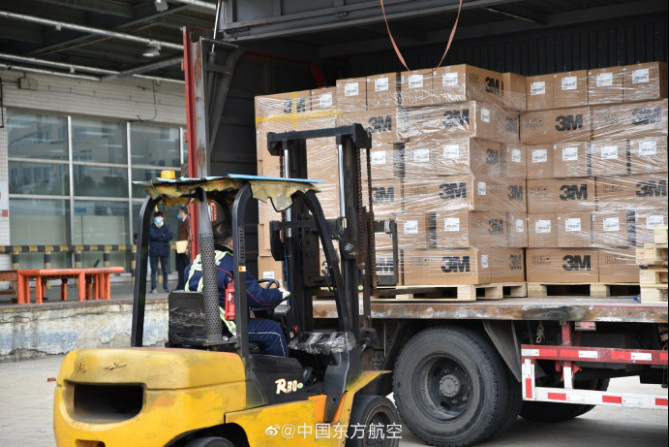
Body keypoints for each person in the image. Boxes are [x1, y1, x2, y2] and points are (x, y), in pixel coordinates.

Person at [184, 225, 291, 357]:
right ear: (232, 243)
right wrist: (280, 293)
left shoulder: (194, 264)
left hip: (199, 327)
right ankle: (280, 375)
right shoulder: (231, 265)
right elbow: (259, 299)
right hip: (226, 329)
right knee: (274, 330)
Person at [149, 211, 172, 293]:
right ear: (154, 218)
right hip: (154, 251)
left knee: (165, 270)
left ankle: (165, 287)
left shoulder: (166, 227)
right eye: (156, 217)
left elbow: (168, 237)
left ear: (162, 218)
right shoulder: (151, 227)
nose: (158, 219)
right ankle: (153, 288)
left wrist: (158, 236)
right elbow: (152, 236)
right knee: (153, 270)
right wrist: (162, 235)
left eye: (160, 217)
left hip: (164, 251)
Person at [175, 206, 190, 290]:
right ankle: (181, 285)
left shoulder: (188, 221)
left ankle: (184, 285)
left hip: (185, 248)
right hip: (181, 248)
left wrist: (188, 247)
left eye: (179, 212)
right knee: (180, 267)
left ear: (181, 212)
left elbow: (189, 235)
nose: (179, 214)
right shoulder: (183, 221)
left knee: (185, 267)